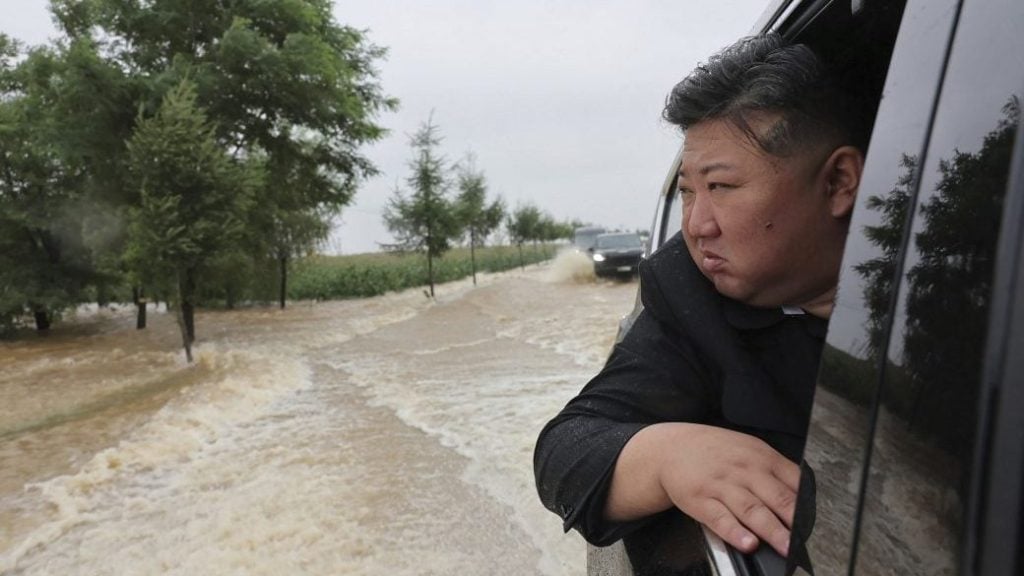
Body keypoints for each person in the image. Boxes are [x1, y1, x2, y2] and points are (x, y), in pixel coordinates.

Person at [533, 33, 867, 560]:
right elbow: (565, 452)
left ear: (839, 183)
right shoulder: (690, 296)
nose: (695, 225)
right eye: (688, 192)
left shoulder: (956, 294)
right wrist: (666, 456)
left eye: (721, 188)